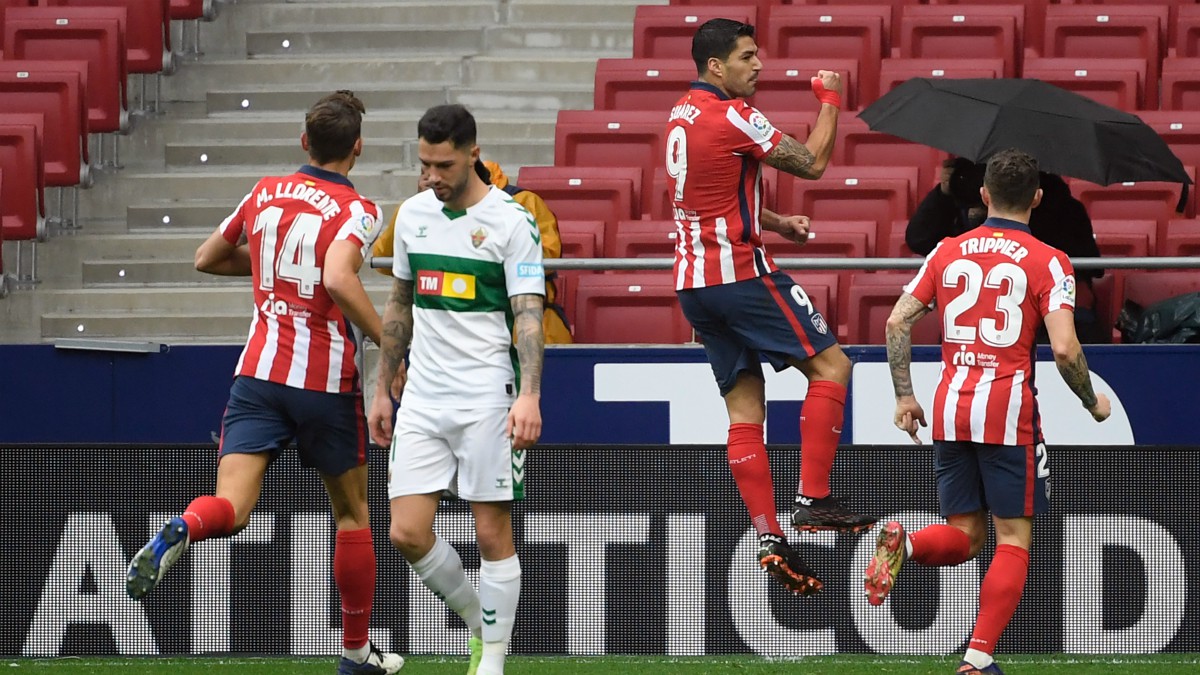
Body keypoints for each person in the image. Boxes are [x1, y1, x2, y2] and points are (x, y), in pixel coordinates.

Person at [125, 91, 403, 675]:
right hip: (324, 378)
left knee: (232, 505)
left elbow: (206, 257)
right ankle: (356, 653)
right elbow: (337, 276)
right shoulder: (360, 209)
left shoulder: (264, 191)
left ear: (304, 142)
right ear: (357, 147)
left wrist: (272, 270)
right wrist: (385, 338)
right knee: (352, 516)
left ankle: (182, 526)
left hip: (256, 374)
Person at [867, 149, 1112, 675]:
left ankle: (905, 543)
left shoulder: (947, 251)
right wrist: (1092, 402)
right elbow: (1067, 349)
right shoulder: (1048, 259)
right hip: (1008, 413)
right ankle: (977, 661)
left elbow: (895, 323)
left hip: (951, 408)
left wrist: (904, 395)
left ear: (983, 195)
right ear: (1039, 198)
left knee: (965, 536)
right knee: (1012, 539)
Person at [667, 17, 875, 597]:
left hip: (694, 284)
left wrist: (775, 221)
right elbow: (811, 163)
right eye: (747, 56)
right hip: (739, 276)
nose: (758, 65)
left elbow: (703, 197)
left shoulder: (681, 113)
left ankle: (769, 535)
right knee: (833, 366)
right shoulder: (734, 115)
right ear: (716, 66)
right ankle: (813, 498)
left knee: (743, 411)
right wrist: (831, 102)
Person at [367, 103, 544, 675]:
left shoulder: (513, 222)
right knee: (406, 532)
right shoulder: (413, 214)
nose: (432, 177)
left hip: (488, 396)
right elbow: (398, 304)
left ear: (473, 153)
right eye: (424, 164)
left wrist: (530, 395)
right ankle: (478, 620)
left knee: (492, 532)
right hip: (421, 396)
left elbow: (528, 315)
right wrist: (381, 390)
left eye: (443, 165)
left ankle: (491, 660)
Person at [906, 158, 1106, 342]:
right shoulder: (964, 206)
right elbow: (919, 239)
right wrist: (943, 195)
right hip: (975, 326)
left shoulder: (1061, 208)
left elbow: (1091, 265)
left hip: (1042, 326)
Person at [372, 160, 572, 344]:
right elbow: (385, 258)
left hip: (519, 327)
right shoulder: (419, 210)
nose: (434, 180)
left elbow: (546, 257)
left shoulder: (522, 203)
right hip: (447, 329)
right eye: (427, 173)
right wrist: (419, 208)